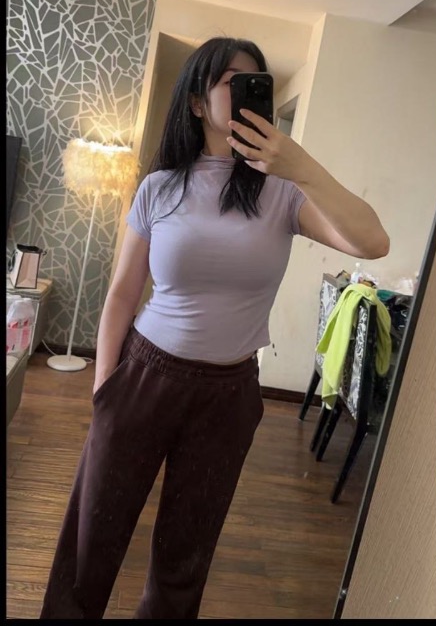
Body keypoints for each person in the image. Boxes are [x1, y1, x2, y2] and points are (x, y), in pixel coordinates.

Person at [40, 36, 389, 620]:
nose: (245, 91)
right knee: (91, 538)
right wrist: (105, 390)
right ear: (197, 102)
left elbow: (373, 242)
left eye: (256, 82)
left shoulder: (284, 193)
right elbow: (123, 293)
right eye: (231, 81)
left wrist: (299, 165)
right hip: (145, 375)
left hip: (228, 395)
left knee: (186, 554)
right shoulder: (159, 188)